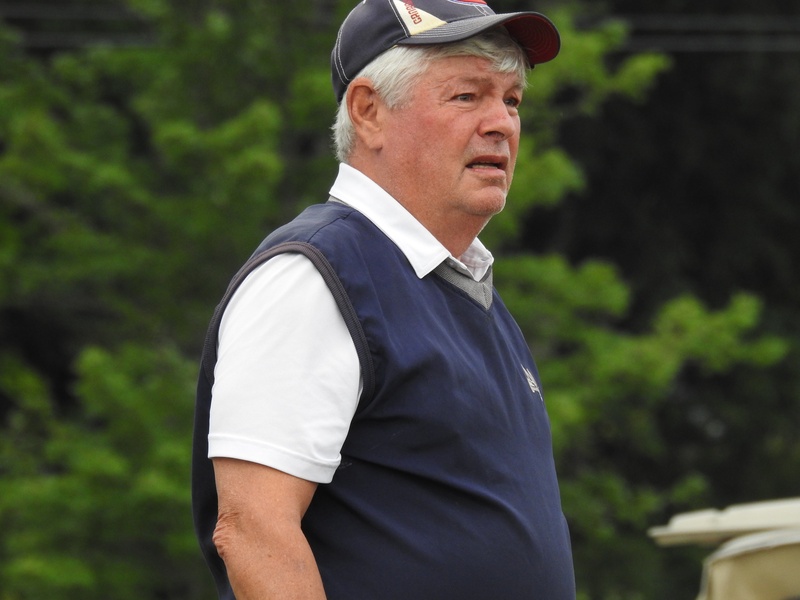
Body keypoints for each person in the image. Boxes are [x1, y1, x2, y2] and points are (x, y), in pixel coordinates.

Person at [192, 0, 576, 598]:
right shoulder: (315, 276)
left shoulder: (467, 292)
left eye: (512, 100)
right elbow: (252, 529)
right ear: (368, 112)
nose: (501, 123)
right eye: (467, 96)